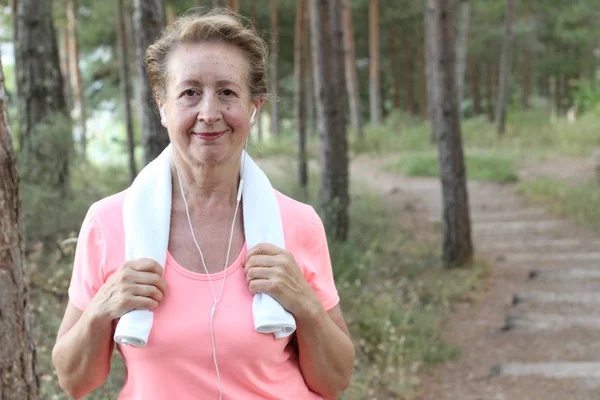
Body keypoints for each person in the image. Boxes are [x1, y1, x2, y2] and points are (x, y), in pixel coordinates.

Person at [52, 8, 355, 400]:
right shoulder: (109, 223)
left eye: (227, 92)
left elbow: (335, 381)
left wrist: (306, 306)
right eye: (190, 92)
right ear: (162, 106)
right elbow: (75, 381)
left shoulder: (296, 223)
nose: (209, 113)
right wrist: (100, 310)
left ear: (254, 107)